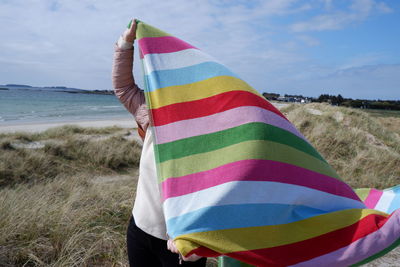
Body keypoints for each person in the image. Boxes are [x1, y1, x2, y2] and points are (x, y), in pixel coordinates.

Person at [112, 19, 207, 267]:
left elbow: (222, 188)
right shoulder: (153, 112)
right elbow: (123, 87)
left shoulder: (211, 126)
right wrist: (126, 42)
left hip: (183, 242)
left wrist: (202, 242)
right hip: (140, 228)